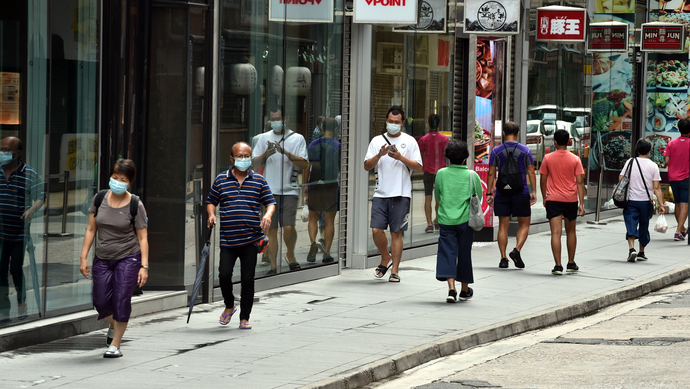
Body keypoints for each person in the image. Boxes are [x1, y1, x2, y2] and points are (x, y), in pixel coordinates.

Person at [79, 159, 148, 358]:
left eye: (122, 179)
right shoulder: (100, 198)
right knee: (100, 302)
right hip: (102, 257)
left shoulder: (136, 204)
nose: (117, 181)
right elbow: (91, 229)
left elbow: (143, 238)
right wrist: (84, 257)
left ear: (130, 182)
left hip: (128, 257)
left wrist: (144, 266)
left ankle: (115, 344)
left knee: (121, 299)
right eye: (114, 177)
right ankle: (115, 323)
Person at [207, 142, 275, 329]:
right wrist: (212, 214)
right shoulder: (221, 180)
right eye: (240, 156)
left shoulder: (259, 181)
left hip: (251, 239)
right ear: (232, 158)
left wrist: (268, 215)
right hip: (228, 240)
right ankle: (229, 305)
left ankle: (244, 318)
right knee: (224, 275)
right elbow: (211, 201)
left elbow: (270, 202)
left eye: (247, 156)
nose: (243, 159)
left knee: (247, 279)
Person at [364, 106, 423, 282]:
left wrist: (400, 158)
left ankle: (395, 269)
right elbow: (367, 166)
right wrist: (379, 155)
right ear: (386, 121)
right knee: (376, 230)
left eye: (397, 122)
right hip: (380, 193)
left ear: (402, 123)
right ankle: (385, 257)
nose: (393, 125)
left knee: (396, 232)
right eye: (390, 121)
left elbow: (419, 166)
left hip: (401, 193)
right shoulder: (376, 141)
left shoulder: (410, 141)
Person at [252, 105, 309, 275]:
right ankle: (273, 266)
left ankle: (290, 256)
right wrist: (265, 155)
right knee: (271, 230)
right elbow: (253, 162)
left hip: (289, 190)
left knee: (289, 226)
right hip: (269, 191)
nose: (276, 122)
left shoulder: (297, 138)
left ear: (286, 119)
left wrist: (286, 152)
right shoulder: (263, 138)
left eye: (279, 119)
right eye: (273, 119)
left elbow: (305, 164)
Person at [0, 137, 44, 324]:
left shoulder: (29, 174)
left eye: (7, 150)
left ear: (18, 153)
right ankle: (3, 309)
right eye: (1, 149)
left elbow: (40, 197)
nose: (3, 153)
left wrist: (31, 210)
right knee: (0, 271)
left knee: (16, 269)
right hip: (0, 234)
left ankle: (21, 302)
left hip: (19, 233)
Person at [486, 121, 537, 269]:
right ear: (518, 134)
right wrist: (533, 191)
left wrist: (489, 192)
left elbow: (491, 173)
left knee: (503, 225)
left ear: (503, 133)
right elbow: (531, 171)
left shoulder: (496, 151)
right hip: (521, 192)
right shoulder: (525, 150)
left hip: (502, 192)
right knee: (525, 224)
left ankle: (503, 258)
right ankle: (517, 250)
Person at [435, 140, 479, 302]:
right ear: (465, 158)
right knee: (464, 253)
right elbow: (477, 198)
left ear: (448, 157)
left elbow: (438, 196)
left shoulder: (441, 174)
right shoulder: (472, 176)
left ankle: (451, 289)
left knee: (447, 252)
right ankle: (465, 290)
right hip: (465, 221)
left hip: (446, 219)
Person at [539, 130, 586, 275]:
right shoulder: (575, 159)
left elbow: (543, 179)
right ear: (569, 142)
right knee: (571, 231)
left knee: (555, 233)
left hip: (553, 199)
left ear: (555, 142)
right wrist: (581, 203)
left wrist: (544, 197)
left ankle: (558, 266)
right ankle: (571, 263)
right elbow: (579, 182)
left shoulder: (547, 158)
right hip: (570, 199)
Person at [620, 139, 665, 263]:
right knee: (644, 225)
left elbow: (621, 178)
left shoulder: (630, 162)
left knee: (631, 223)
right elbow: (656, 187)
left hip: (631, 200)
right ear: (649, 151)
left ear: (637, 150)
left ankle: (631, 249)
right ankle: (641, 252)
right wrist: (661, 204)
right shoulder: (653, 166)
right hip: (646, 201)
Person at [305, 118, 340, 263]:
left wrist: (306, 185)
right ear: (336, 130)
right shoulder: (338, 146)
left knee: (313, 217)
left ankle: (313, 243)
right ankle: (326, 253)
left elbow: (307, 167)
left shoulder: (313, 144)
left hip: (315, 185)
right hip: (331, 186)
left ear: (321, 128)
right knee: (329, 220)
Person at [418, 114, 449, 233]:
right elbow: (447, 155)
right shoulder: (444, 139)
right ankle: (437, 220)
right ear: (439, 123)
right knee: (439, 198)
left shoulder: (424, 139)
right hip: (440, 172)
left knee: (427, 197)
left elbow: (420, 154)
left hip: (427, 171)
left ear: (428, 123)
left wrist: (423, 166)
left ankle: (429, 224)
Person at [664, 118, 689, 241]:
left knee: (677, 204)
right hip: (686, 178)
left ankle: (682, 228)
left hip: (673, 178)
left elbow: (666, 161)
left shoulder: (671, 143)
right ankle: (678, 231)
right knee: (685, 205)